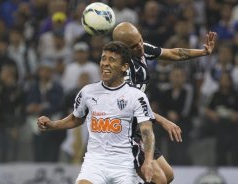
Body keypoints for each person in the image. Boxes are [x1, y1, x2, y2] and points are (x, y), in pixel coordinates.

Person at [37, 41, 155, 184]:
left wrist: (148, 161)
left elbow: (147, 131)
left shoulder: (136, 96)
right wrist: (52, 124)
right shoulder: (87, 92)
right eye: (103, 58)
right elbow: (76, 118)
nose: (105, 63)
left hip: (123, 164)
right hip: (95, 163)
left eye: (112, 60)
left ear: (124, 67)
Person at [112, 22, 217, 183]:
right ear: (122, 49)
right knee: (159, 180)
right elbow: (132, 107)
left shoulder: (142, 48)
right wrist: (163, 121)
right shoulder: (121, 71)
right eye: (134, 46)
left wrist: (203, 52)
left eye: (140, 40)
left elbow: (173, 53)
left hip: (137, 127)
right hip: (124, 132)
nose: (140, 47)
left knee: (168, 176)